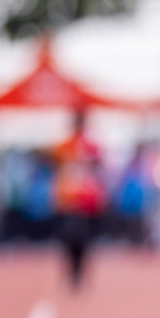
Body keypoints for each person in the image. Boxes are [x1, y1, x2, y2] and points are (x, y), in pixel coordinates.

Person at [52, 106, 104, 289]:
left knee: (83, 239)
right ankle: (72, 270)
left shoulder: (91, 147)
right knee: (69, 239)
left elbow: (98, 170)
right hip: (68, 199)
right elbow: (57, 169)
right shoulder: (63, 146)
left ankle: (79, 271)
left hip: (86, 201)